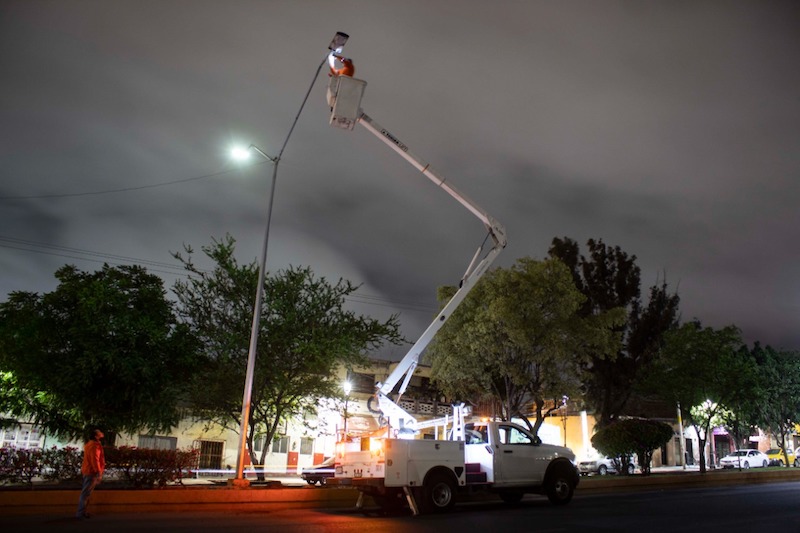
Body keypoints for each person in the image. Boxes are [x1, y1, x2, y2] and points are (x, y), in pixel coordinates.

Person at [76, 428, 106, 519]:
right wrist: (98, 472)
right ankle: (80, 513)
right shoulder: (94, 446)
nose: (102, 433)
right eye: (99, 432)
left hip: (88, 470)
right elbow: (95, 459)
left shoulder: (90, 444)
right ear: (96, 436)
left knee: (86, 493)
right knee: (85, 493)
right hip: (91, 472)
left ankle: (83, 512)